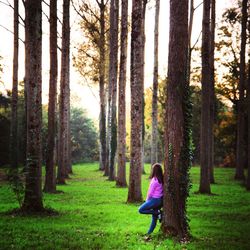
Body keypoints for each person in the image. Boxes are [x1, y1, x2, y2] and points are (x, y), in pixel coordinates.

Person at [138, 163, 164, 235]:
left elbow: (150, 192)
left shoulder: (154, 180)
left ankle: (159, 213)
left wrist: (147, 200)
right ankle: (149, 233)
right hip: (160, 201)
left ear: (154, 171)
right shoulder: (162, 179)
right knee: (154, 218)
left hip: (154, 200)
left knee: (140, 210)